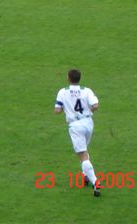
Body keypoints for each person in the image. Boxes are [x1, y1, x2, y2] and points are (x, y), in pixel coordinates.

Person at [54, 69, 101, 198]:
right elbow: (96, 105)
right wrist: (88, 111)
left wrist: (66, 108)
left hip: (75, 126)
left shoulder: (63, 92)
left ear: (68, 78)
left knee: (82, 155)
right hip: (88, 123)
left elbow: (57, 110)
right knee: (84, 150)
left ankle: (95, 182)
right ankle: (85, 176)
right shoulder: (87, 90)